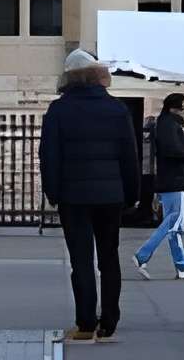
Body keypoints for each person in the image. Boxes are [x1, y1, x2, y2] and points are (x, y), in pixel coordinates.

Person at [39, 47, 144, 345]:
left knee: (81, 260)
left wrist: (53, 192)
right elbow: (129, 156)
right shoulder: (117, 109)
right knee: (109, 258)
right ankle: (109, 321)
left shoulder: (59, 110)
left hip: (74, 196)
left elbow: (49, 156)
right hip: (111, 195)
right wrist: (132, 193)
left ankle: (85, 322)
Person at [133, 92, 184, 279]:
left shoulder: (165, 123)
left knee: (174, 227)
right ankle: (143, 254)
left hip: (169, 179)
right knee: (173, 220)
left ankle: (183, 266)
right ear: (176, 107)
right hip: (175, 179)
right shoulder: (170, 124)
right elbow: (175, 150)